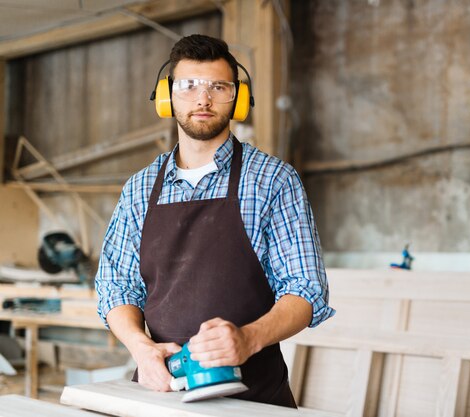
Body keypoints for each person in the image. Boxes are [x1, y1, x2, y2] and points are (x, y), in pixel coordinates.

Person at [95, 34, 334, 408]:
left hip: (254, 399)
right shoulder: (139, 188)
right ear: (166, 97)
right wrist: (141, 348)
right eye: (188, 86)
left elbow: (306, 290)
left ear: (237, 99)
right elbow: (116, 286)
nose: (203, 99)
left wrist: (249, 339)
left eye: (218, 87)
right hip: (161, 393)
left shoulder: (273, 180)